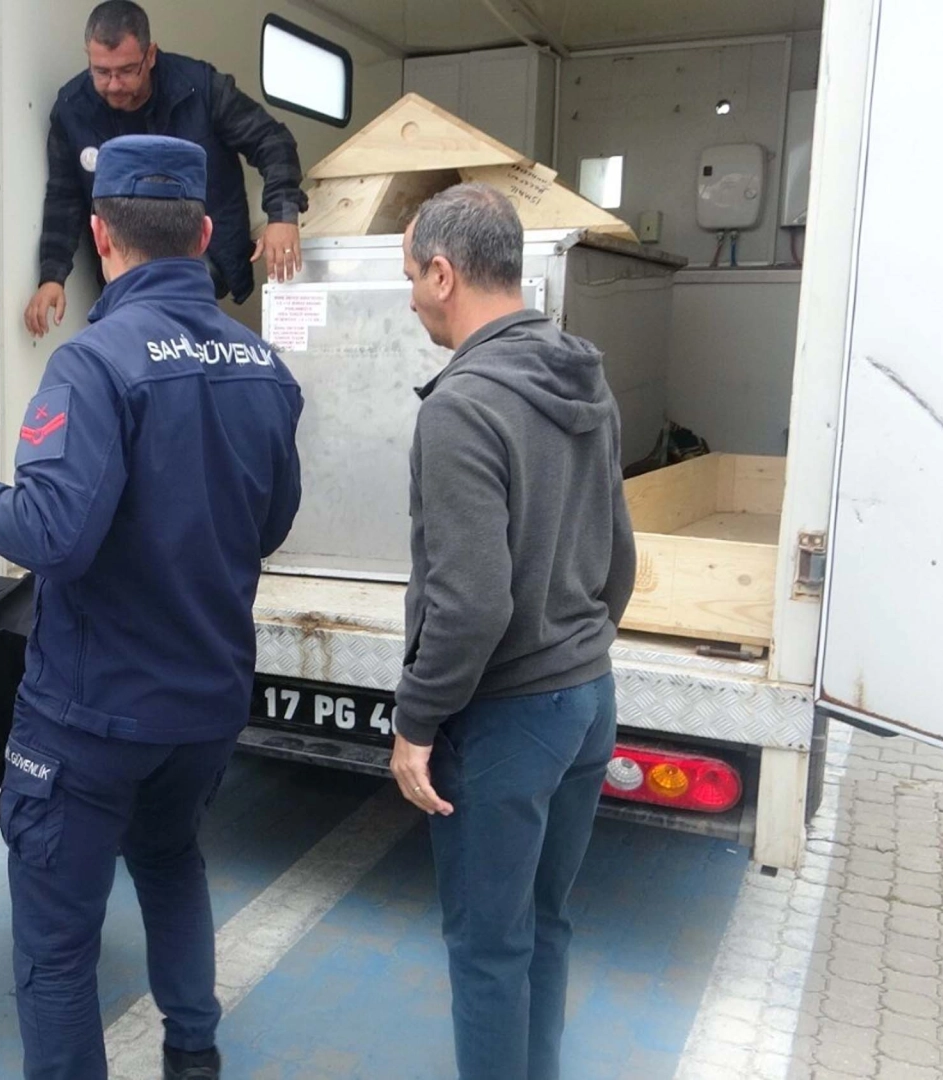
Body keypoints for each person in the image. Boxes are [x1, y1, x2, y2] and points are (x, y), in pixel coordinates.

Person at [0, 135, 303, 1080]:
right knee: (172, 862)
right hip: (205, 704)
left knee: (58, 943)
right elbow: (270, 525)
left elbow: (52, 534)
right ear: (203, 234)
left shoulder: (94, 363)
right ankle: (193, 1055)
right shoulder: (263, 366)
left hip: (91, 714)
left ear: (101, 237)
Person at [385, 183, 638, 1080]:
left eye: (411, 278)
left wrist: (416, 721)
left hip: (504, 720)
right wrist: (577, 647)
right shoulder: (583, 378)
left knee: (489, 947)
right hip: (587, 700)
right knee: (546, 923)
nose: (411, 299)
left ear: (443, 274)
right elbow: (619, 558)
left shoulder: (461, 406)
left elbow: (471, 605)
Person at [23, 0, 309, 338]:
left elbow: (272, 140)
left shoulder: (200, 89)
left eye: (126, 70)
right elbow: (64, 197)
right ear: (88, 56)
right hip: (123, 266)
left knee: (168, 324)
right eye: (101, 72)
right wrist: (52, 276)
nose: (113, 84)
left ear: (151, 55)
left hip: (204, 255)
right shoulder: (72, 110)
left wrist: (282, 216)